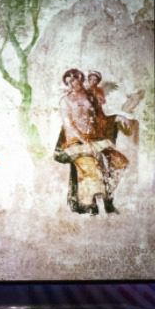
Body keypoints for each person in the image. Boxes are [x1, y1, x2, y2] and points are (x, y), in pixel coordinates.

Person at [54, 67, 131, 215]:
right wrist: (84, 141)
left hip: (95, 140)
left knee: (119, 163)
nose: (71, 84)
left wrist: (117, 117)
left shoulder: (90, 97)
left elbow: (101, 119)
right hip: (75, 142)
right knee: (91, 168)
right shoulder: (65, 101)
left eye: (74, 80)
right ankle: (90, 206)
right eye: (68, 82)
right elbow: (68, 125)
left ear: (81, 79)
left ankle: (108, 199)